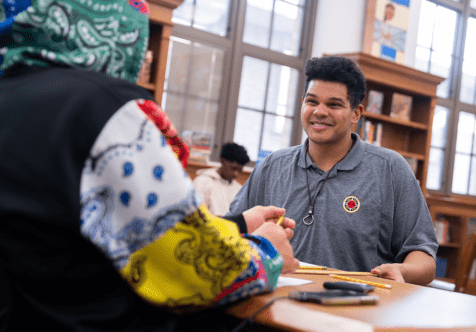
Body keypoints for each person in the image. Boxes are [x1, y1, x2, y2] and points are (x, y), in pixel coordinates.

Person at [0, 0, 298, 331]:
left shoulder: (11, 93)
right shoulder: (102, 107)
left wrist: (240, 224)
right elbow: (196, 272)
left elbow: (130, 225)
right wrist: (267, 251)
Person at [226, 56, 438, 285]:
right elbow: (230, 233)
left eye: (334, 105)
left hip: (355, 310)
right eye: (312, 101)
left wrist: (403, 271)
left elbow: (424, 258)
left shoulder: (391, 169)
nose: (320, 111)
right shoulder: (272, 166)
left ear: (356, 113)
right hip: (272, 306)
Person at [193, 142, 250, 216]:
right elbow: (197, 214)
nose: (236, 174)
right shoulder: (202, 182)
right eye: (233, 168)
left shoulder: (238, 189)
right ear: (223, 161)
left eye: (239, 170)